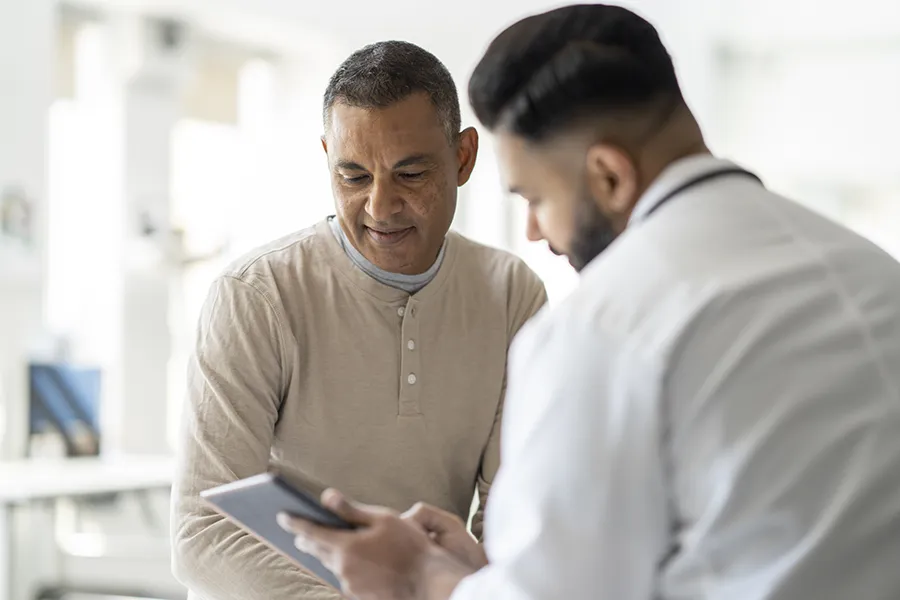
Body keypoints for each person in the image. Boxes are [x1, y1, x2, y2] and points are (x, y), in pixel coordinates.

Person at [278, 4, 900, 600]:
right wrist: (490, 574)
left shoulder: (602, 327)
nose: (533, 233)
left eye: (536, 199)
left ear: (609, 176)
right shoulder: (871, 271)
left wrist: (417, 579)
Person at [170, 40, 547, 600]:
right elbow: (203, 534)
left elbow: (511, 518)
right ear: (326, 157)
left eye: (411, 174)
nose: (379, 207)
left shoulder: (511, 294)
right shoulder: (256, 296)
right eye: (353, 176)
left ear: (463, 158)